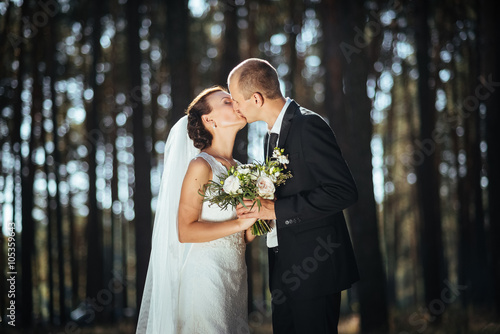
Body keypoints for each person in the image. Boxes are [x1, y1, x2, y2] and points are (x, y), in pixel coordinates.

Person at [229, 58, 359, 334]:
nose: (234, 106)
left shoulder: (308, 125)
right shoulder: (269, 138)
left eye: (235, 99)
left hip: (315, 269)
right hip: (283, 267)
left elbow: (343, 191)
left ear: (256, 98)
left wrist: (274, 210)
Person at [136, 86, 257, 333]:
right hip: (205, 278)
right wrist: (239, 223)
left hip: (235, 278)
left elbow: (245, 237)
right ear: (209, 119)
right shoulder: (201, 165)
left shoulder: (243, 169)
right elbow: (185, 231)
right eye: (226, 102)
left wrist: (257, 216)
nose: (236, 104)